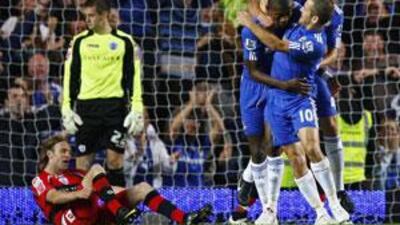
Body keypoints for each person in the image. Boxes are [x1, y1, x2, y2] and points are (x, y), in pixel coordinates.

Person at [238, 0, 351, 224]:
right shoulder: (297, 14)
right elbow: (255, 5)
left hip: (295, 93)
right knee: (269, 150)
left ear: (314, 18)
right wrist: (254, 16)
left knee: (309, 147)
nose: (300, 11)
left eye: (305, 10)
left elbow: (280, 45)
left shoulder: (312, 40)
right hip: (269, 91)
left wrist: (251, 23)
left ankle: (335, 203)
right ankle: (269, 209)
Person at [231, 0, 311, 224]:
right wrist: (285, 85)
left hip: (280, 85)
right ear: (268, 11)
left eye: (287, 15)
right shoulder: (250, 31)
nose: (284, 19)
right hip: (255, 87)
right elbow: (254, 71)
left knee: (275, 148)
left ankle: (270, 211)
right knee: (257, 152)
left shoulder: (294, 18)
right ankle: (248, 179)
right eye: (279, 15)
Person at [31, 134, 212, 225]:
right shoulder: (40, 179)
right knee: (95, 168)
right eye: (63, 151)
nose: (68, 155)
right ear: (49, 155)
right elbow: (53, 197)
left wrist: (124, 194)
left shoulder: (75, 173)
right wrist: (79, 193)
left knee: (142, 187)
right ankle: (120, 212)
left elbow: (107, 189)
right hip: (69, 220)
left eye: (69, 151)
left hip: (95, 216)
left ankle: (184, 218)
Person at [61, 0, 144, 186]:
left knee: (115, 162)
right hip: (86, 108)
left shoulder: (125, 42)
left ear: (104, 14)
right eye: (86, 16)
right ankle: (83, 213)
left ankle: (117, 213)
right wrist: (66, 107)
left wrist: (137, 108)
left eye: (91, 15)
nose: (87, 20)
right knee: (83, 166)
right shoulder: (79, 41)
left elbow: (133, 78)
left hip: (115, 108)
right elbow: (70, 77)